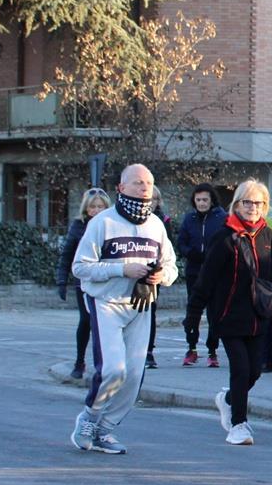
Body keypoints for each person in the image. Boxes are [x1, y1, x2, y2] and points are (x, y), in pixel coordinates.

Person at [68, 164, 178, 454]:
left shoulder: (156, 225)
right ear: (121, 188)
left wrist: (160, 276)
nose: (144, 188)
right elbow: (80, 268)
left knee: (133, 375)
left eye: (149, 183)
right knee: (113, 369)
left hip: (141, 305)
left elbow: (172, 268)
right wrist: (121, 269)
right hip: (106, 303)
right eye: (138, 182)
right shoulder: (102, 222)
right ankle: (89, 417)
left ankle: (105, 430)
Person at [195, 178, 272, 445]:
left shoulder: (268, 236)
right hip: (229, 316)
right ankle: (239, 424)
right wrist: (194, 315)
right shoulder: (225, 236)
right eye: (247, 202)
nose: (252, 208)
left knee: (254, 371)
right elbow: (206, 278)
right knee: (240, 369)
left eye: (258, 203)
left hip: (259, 315)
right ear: (237, 204)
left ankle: (228, 399)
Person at [57, 187, 112, 379]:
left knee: (104, 323)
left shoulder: (112, 225)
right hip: (84, 282)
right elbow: (67, 255)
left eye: (100, 206)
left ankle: (105, 364)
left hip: (107, 281)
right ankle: (79, 361)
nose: (96, 210)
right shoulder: (79, 226)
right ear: (86, 209)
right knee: (86, 320)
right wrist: (61, 281)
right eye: (92, 207)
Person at [177, 183, 228, 368]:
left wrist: (215, 256)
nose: (201, 203)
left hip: (215, 273)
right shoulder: (189, 218)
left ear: (212, 200)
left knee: (215, 313)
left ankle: (212, 351)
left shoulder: (222, 218)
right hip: (194, 271)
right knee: (193, 311)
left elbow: (227, 242)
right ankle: (191, 348)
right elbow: (181, 242)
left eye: (205, 199)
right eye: (198, 200)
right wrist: (190, 253)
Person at [144, 189, 173, 370]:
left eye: (154, 199)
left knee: (150, 311)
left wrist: (162, 271)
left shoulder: (162, 221)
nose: (151, 202)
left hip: (153, 271)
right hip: (134, 270)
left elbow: (167, 249)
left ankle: (148, 351)